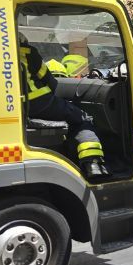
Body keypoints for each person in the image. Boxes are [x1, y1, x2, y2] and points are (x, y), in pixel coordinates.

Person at [19, 33, 109, 180]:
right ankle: (92, 163)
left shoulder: (1, 55)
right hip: (40, 101)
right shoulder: (29, 52)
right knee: (81, 118)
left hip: (16, 106)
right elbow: (49, 80)